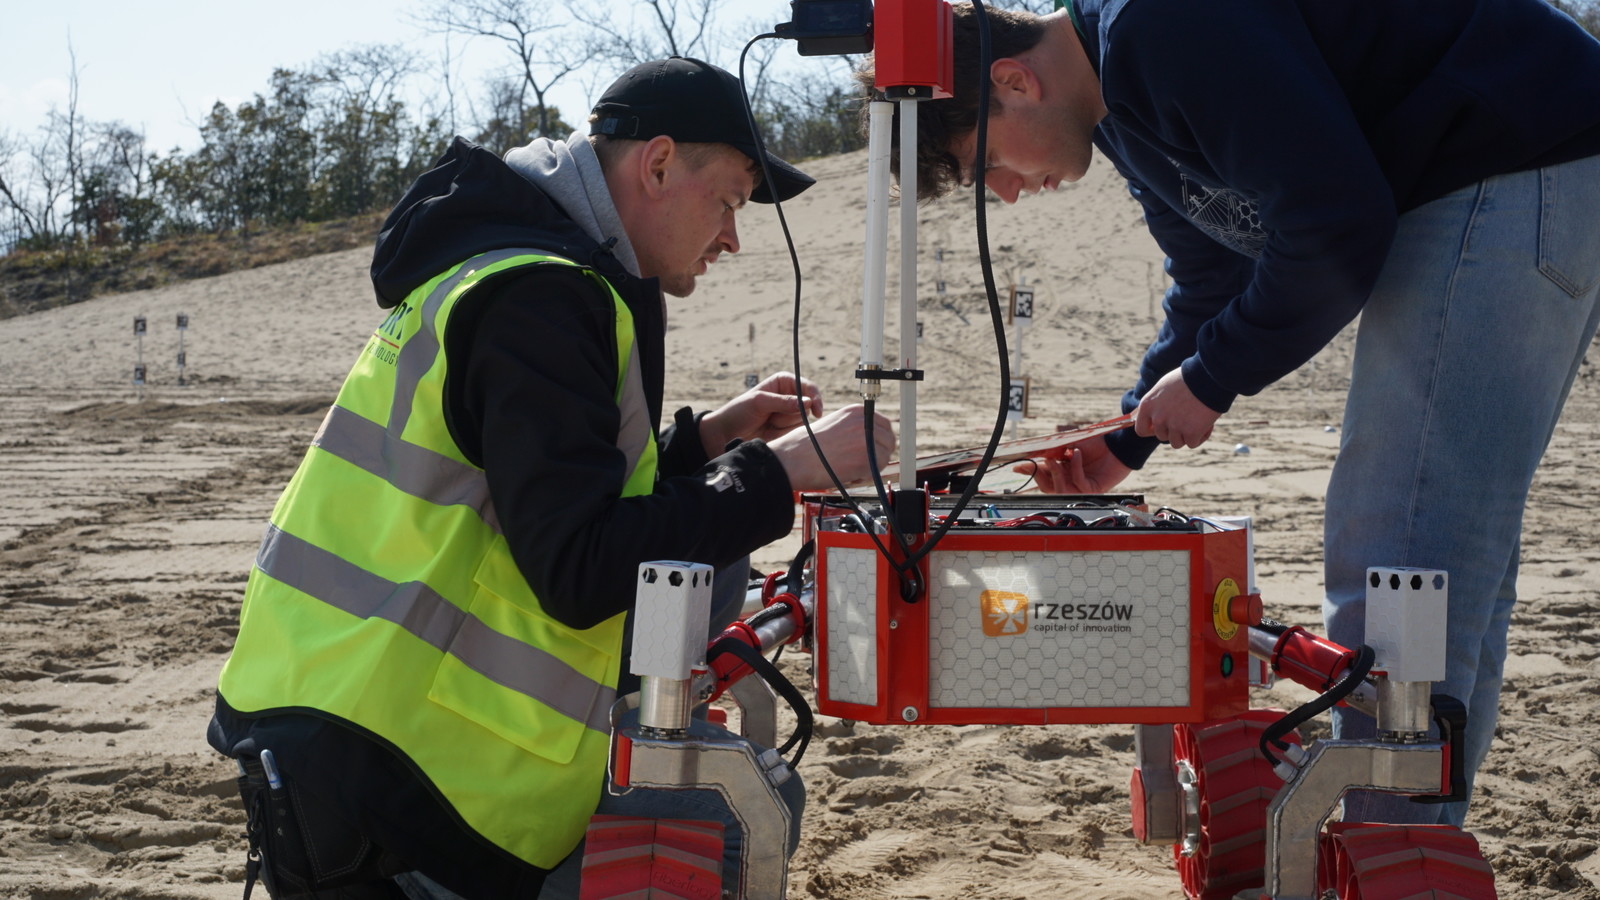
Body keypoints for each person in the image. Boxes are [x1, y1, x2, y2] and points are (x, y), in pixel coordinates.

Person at [857, 0, 1600, 830]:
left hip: (1509, 156)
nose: (1006, 193)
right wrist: (1124, 441)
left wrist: (1212, 379)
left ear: (1014, 80)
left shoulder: (1160, 28)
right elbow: (1213, 275)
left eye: (986, 164)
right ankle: (1412, 843)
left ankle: (1387, 851)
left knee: (1401, 542)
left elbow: (1335, 226)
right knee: (1448, 557)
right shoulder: (1120, 110)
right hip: (1521, 167)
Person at [208, 56, 895, 899]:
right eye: (728, 201)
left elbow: (530, 487)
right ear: (657, 164)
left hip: (341, 732)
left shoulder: (513, 270)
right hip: (397, 782)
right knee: (734, 819)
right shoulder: (541, 296)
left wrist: (706, 444)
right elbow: (578, 565)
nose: (731, 237)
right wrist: (777, 474)